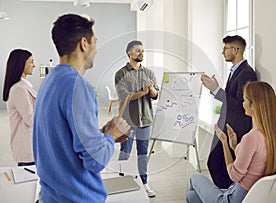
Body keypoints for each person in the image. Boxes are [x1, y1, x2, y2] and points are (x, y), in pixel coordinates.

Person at [33, 14, 131, 203]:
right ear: (84, 44)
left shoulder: (49, 82)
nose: (96, 49)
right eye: (95, 42)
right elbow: (96, 161)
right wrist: (110, 136)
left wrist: (102, 135)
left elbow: (63, 139)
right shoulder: (79, 88)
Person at [186, 81, 276, 203]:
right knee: (192, 196)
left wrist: (224, 142)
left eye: (244, 101)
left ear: (254, 105)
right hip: (249, 196)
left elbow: (234, 175)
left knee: (195, 178)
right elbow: (252, 162)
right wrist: (234, 146)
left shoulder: (251, 138)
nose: (243, 104)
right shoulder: (274, 136)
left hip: (234, 199)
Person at [201, 35, 257, 188]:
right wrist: (216, 90)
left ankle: (227, 196)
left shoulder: (246, 73)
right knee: (215, 164)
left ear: (236, 50)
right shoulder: (235, 71)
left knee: (221, 167)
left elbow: (241, 105)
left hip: (235, 130)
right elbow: (230, 99)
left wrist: (216, 89)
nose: (222, 52)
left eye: (225, 48)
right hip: (225, 126)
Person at [115, 40, 159, 197]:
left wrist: (151, 89)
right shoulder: (121, 74)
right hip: (127, 121)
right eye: (138, 51)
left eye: (142, 51)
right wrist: (143, 91)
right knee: (125, 151)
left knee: (143, 153)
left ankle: (144, 182)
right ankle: (122, 182)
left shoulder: (149, 73)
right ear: (129, 53)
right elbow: (124, 96)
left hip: (145, 120)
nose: (141, 53)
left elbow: (155, 95)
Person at [2, 49, 36, 166]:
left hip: (31, 147)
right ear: (21, 63)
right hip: (27, 150)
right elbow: (30, 119)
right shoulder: (19, 89)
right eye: (31, 62)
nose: (34, 65)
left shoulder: (23, 87)